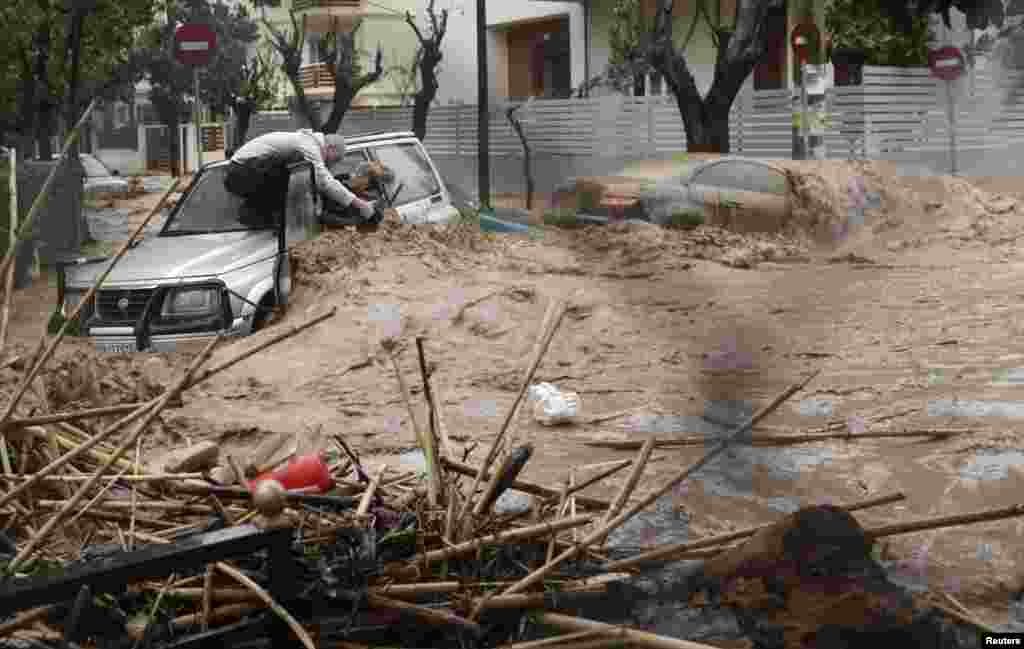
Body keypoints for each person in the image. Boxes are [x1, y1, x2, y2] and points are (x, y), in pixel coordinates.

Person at [224, 129, 376, 225]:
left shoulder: (305, 143)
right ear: (329, 148)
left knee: (297, 178)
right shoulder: (308, 146)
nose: (331, 164)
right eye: (334, 159)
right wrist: (360, 204)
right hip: (243, 171)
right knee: (295, 183)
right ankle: (256, 216)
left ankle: (258, 215)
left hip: (241, 171)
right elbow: (324, 181)